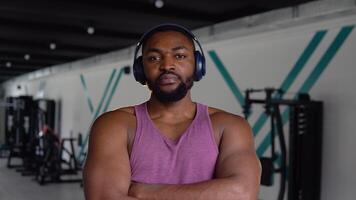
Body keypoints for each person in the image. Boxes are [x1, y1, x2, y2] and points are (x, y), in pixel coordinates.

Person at [83, 23, 261, 200]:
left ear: (198, 65)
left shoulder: (231, 126)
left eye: (180, 56)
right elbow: (104, 197)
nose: (167, 65)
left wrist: (143, 192)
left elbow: (242, 194)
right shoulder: (114, 125)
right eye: (154, 58)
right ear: (140, 69)